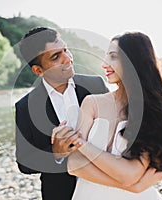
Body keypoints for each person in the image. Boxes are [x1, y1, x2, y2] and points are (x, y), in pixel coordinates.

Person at [53, 32, 162, 199]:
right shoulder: (92, 103)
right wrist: (133, 187)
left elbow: (130, 174)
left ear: (133, 61)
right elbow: (74, 165)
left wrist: (82, 144)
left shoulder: (152, 113)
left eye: (113, 56)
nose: (104, 64)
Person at [15, 27, 109, 200]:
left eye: (66, 50)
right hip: (61, 193)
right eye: (55, 57)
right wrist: (55, 152)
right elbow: (23, 162)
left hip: (105, 185)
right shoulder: (24, 107)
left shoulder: (96, 85)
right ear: (38, 70)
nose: (67, 58)